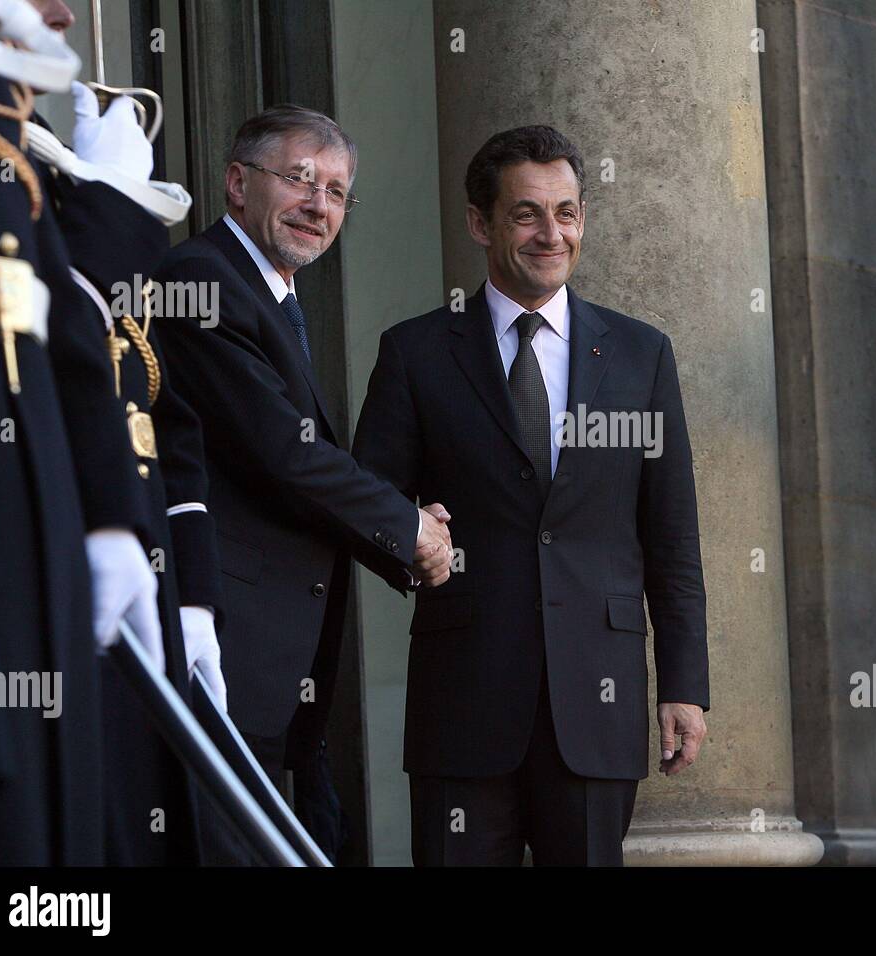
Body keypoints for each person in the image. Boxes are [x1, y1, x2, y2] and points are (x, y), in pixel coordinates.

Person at [352, 124, 710, 866]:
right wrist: (410, 538)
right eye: (526, 213)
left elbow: (671, 534)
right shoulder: (416, 352)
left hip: (597, 699)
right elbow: (367, 498)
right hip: (464, 699)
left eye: (567, 212)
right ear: (482, 223)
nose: (552, 233)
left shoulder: (641, 355)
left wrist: (684, 685)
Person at [154, 105, 452, 862]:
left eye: (338, 191)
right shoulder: (202, 280)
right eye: (300, 179)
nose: (320, 206)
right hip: (223, 642)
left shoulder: (274, 298)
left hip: (282, 667)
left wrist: (403, 525)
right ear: (236, 183)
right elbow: (285, 458)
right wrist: (407, 529)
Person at [0, 0, 165, 864]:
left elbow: (74, 343)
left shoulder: (0, 136)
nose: (61, 12)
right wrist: (114, 199)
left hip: (32, 540)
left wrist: (110, 521)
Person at [24, 0, 227, 864]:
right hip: (39, 578)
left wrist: (194, 598)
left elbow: (162, 419)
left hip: (138, 579)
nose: (64, 11)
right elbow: (64, 311)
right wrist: (111, 197)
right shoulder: (2, 172)